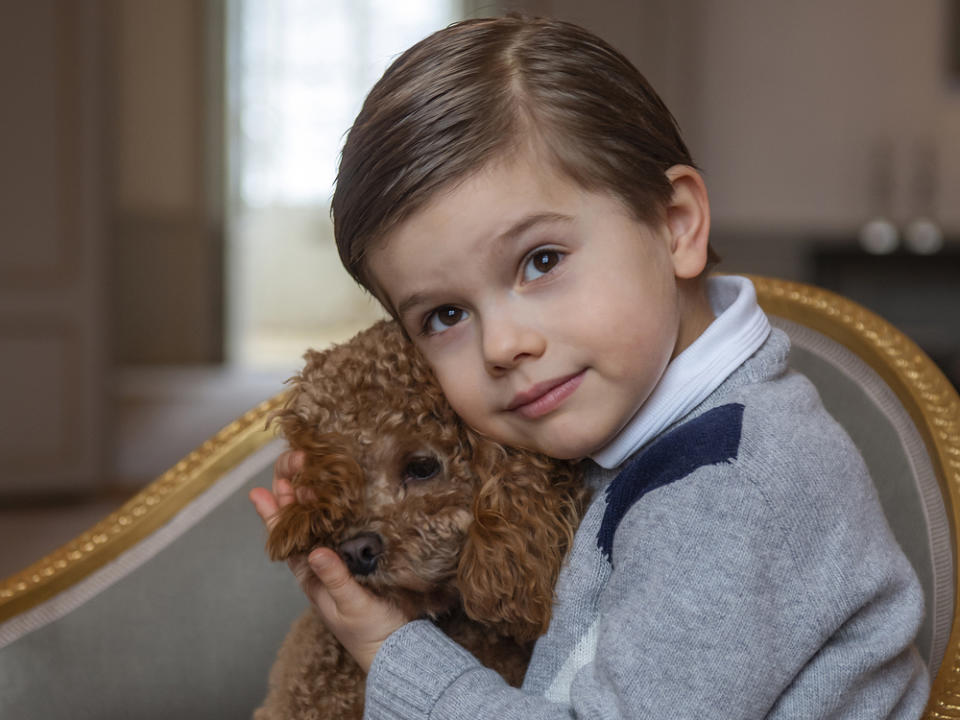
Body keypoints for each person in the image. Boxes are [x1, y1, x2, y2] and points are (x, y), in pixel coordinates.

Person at [250, 15, 930, 718]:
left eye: (541, 262)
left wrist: (389, 649)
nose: (502, 344)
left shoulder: (733, 483)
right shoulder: (624, 427)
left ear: (676, 225)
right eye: (445, 315)